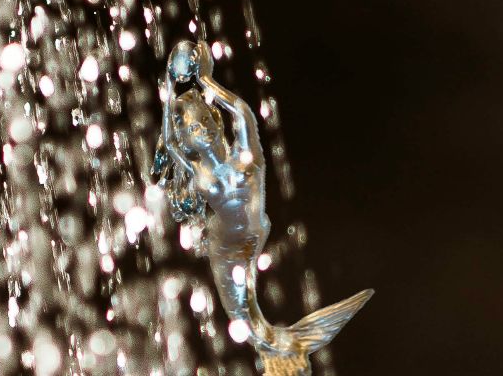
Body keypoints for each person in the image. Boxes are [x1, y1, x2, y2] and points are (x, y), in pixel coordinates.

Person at [160, 40, 373, 376]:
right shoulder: (199, 173)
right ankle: (281, 357)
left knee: (251, 322)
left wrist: (206, 82)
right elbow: (170, 145)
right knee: (247, 325)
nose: (198, 128)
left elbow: (243, 112)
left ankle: (285, 355)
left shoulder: (245, 158)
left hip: (247, 240)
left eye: (201, 117)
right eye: (189, 127)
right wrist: (170, 89)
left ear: (215, 117)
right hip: (225, 249)